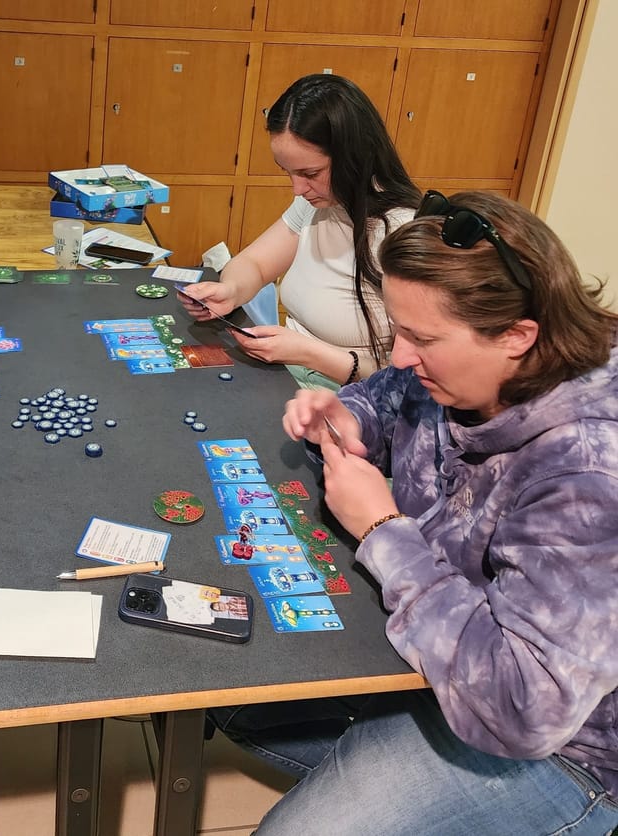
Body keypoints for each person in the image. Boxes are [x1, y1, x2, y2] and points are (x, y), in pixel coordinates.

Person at [215, 191, 618, 834]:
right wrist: (344, 416)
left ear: (518, 336)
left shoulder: (590, 472)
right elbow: (385, 393)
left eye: (422, 338)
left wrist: (382, 529)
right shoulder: (454, 368)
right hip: (428, 662)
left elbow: (523, 707)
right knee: (228, 696)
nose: (400, 354)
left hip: (563, 750)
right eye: (397, 329)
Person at [177, 73, 420, 389]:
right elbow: (255, 263)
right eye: (288, 172)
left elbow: (410, 380)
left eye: (310, 173)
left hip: (351, 402)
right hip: (286, 377)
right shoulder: (320, 202)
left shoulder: (402, 233)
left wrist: (306, 352)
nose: (297, 189)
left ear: (355, 156)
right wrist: (231, 291)